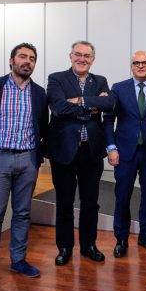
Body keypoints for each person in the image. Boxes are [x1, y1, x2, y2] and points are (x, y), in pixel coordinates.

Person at [0, 43, 49, 288]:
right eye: (22, 57)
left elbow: (43, 125)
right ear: (11, 60)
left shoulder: (39, 93)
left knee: (22, 213)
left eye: (32, 58)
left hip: (28, 159)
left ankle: (18, 260)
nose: (27, 62)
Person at [45, 41, 115, 265]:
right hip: (64, 150)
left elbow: (110, 104)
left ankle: (88, 246)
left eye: (87, 56)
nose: (82, 59)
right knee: (64, 202)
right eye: (78, 54)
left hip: (91, 151)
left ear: (92, 59)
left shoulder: (100, 80)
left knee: (90, 202)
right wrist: (92, 106)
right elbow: (58, 107)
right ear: (70, 56)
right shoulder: (56, 78)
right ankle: (65, 247)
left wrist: (79, 101)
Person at [104, 51, 146, 257]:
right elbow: (108, 120)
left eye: (145, 63)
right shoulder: (118, 89)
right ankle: (121, 238)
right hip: (124, 153)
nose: (140, 66)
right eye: (136, 63)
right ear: (131, 66)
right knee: (122, 196)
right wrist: (111, 148)